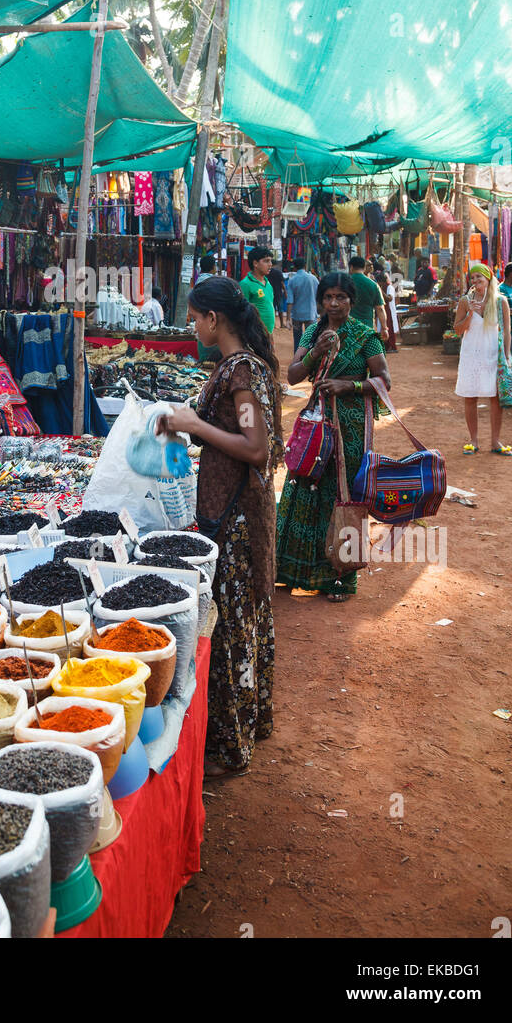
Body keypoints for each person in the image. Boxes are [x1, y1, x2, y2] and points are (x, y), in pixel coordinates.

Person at [159, 278, 283, 775]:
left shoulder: (241, 373)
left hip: (235, 517)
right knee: (240, 618)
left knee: (232, 623)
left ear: (214, 319)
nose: (191, 327)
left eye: (194, 317)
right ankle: (247, 727)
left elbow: (257, 448)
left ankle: (231, 748)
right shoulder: (238, 368)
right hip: (229, 509)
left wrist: (194, 426)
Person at [276, 272, 390, 601]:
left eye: (341, 297)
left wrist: (348, 386)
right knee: (304, 490)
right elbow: (294, 375)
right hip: (315, 426)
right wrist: (314, 353)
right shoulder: (313, 332)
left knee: (341, 495)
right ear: (321, 301)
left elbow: (384, 381)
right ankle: (292, 570)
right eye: (328, 297)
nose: (334, 303)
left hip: (350, 428)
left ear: (352, 301)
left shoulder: (365, 336)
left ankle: (340, 579)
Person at [454, 263, 512, 455]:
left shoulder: (500, 301)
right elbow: (457, 330)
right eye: (473, 278)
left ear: (488, 278)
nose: (476, 281)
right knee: (470, 397)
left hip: (493, 355)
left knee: (496, 399)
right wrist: (471, 312)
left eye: (480, 277)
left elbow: (506, 332)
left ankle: (496, 442)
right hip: (471, 355)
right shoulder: (465, 301)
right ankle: (473, 441)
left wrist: (507, 355)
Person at [240, 245, 275, 336]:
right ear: (255, 263)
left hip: (268, 334)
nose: (270, 264)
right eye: (266, 261)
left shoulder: (268, 283)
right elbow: (241, 312)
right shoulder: (246, 284)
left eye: (270, 261)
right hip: (254, 335)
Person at [348, 254, 387, 339]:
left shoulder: (344, 283)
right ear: (364, 268)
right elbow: (380, 309)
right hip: (367, 328)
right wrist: (384, 328)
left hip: (348, 328)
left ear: (351, 267)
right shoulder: (373, 285)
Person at [285, 257, 319, 351]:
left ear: (295, 268)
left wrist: (288, 319)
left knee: (297, 338)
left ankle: (297, 357)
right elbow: (319, 296)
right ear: (305, 266)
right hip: (311, 313)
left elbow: (290, 301)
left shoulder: (292, 280)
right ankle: (310, 359)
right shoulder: (313, 279)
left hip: (297, 314)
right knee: (311, 338)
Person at [195, 255, 221, 363]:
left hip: (201, 322)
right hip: (211, 322)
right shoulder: (213, 282)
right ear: (213, 267)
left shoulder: (198, 281)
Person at [373, 264, 399, 351]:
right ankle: (386, 346)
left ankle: (391, 346)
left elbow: (389, 298)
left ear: (382, 281)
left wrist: (380, 291)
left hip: (389, 311)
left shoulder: (389, 287)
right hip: (383, 310)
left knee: (389, 328)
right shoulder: (382, 287)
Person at [269, 262, 288, 329]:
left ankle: (273, 325)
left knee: (272, 309)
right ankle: (282, 324)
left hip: (270, 293)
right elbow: (282, 283)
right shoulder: (278, 272)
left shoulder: (267, 273)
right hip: (278, 293)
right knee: (280, 309)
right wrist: (285, 292)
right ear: (275, 265)